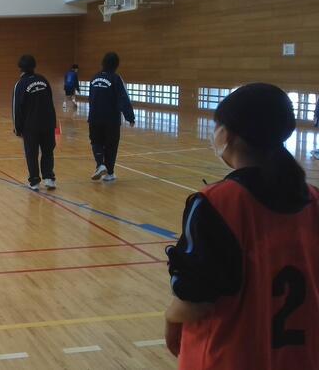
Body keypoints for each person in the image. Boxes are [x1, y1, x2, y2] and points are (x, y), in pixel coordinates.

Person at [164, 83, 319, 369]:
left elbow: (196, 297)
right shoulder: (312, 199)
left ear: (227, 134)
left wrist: (171, 320)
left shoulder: (217, 203)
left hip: (230, 357)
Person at [87, 52, 135, 182]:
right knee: (111, 145)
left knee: (96, 142)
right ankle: (109, 173)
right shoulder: (115, 78)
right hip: (111, 119)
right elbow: (123, 98)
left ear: (103, 63)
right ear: (116, 65)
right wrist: (130, 116)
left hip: (94, 117)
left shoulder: (94, 78)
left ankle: (100, 164)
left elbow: (91, 97)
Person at [12, 55, 57, 191]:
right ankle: (49, 178)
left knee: (31, 153)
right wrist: (53, 122)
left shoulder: (20, 84)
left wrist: (17, 128)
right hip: (48, 123)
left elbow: (16, 109)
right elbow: (50, 101)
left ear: (20, 68)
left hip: (30, 126)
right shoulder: (43, 80)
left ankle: (34, 181)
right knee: (48, 151)